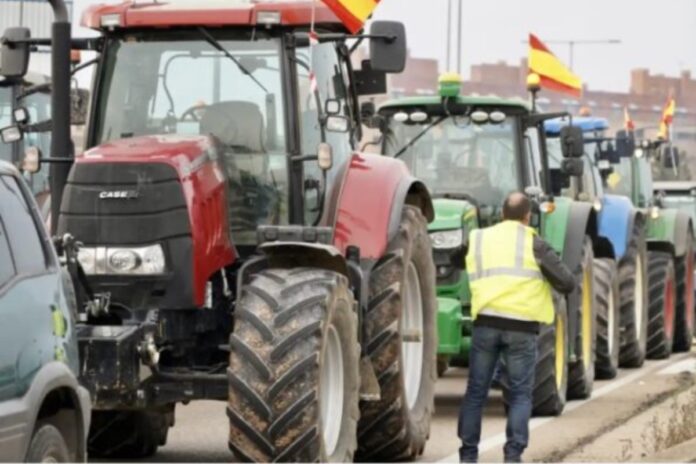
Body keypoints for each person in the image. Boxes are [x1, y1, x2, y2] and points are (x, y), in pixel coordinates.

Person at [458, 192, 576, 463]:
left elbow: (455, 259)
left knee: (476, 391)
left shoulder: (479, 239)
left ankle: (468, 455)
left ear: (501, 214)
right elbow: (567, 282)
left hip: (485, 324)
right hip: (522, 329)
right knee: (521, 393)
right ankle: (513, 456)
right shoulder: (535, 244)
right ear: (528, 217)